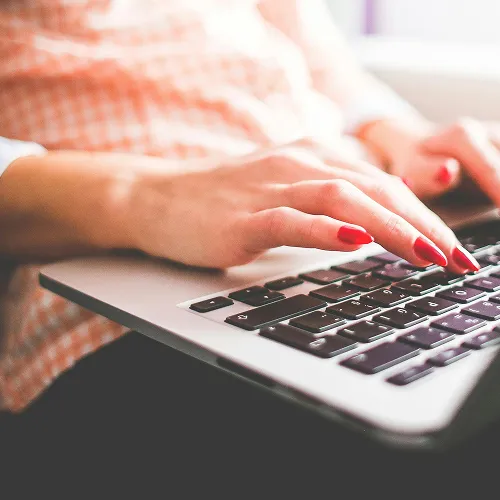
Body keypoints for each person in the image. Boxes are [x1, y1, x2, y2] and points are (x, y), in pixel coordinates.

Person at [1, 0, 500, 487]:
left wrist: (402, 137)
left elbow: (323, 65)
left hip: (363, 218)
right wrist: (141, 195)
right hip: (118, 293)